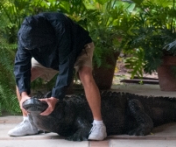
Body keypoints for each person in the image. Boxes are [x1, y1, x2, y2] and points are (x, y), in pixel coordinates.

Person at [8, 12, 107, 141]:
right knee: (22, 80)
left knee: (85, 74)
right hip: (46, 56)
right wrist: (24, 95)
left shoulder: (61, 26)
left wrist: (54, 98)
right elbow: (21, 67)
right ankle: (29, 122)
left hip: (76, 49)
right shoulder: (25, 36)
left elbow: (66, 66)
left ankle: (99, 124)